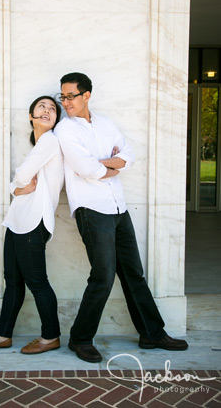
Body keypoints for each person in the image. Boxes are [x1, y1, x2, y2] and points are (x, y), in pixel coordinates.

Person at [54, 72, 188, 363]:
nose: (65, 102)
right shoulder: (65, 130)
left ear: (86, 95)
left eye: (70, 96)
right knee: (102, 277)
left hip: (118, 209)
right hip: (91, 210)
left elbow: (128, 154)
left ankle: (152, 332)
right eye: (62, 96)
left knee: (133, 273)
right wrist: (109, 167)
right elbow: (84, 168)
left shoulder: (105, 124)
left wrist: (103, 164)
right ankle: (80, 338)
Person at [0, 96, 63, 354]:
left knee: (37, 282)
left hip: (34, 222)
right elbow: (15, 186)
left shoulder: (50, 141)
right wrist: (20, 188)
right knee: (12, 281)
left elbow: (21, 178)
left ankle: (50, 336)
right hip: (17, 221)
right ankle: (2, 335)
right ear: (31, 116)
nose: (47, 110)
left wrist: (21, 186)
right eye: (42, 107)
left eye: (53, 109)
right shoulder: (38, 147)